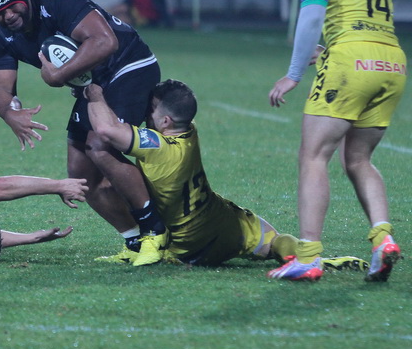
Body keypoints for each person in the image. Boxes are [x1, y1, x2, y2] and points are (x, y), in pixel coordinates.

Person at [0, 0, 167, 266]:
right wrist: (9, 113)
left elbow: (106, 41)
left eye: (11, 4)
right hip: (91, 83)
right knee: (81, 175)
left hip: (129, 65)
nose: (8, 15)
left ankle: (156, 232)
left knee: (101, 145)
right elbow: (2, 89)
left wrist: (58, 76)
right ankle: (133, 240)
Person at [268, 0, 406, 282]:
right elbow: (364, 17)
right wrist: (332, 49)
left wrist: (294, 72)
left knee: (313, 155)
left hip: (350, 62)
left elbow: (312, 15)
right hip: (391, 61)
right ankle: (382, 240)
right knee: (358, 159)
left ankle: (308, 256)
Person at [86, 80, 367, 272]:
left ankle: (138, 241)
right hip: (226, 224)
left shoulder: (158, 145)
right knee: (274, 242)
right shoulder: (189, 130)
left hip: (184, 246)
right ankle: (320, 261)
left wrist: (94, 93)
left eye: (151, 109)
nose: (146, 113)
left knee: (106, 173)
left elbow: (107, 131)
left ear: (165, 121)